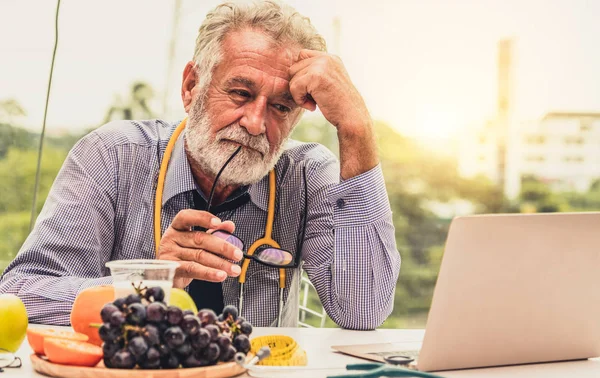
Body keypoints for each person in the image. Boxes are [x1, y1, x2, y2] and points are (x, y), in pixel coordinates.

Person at [0, 0, 400, 329]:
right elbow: (18, 295)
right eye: (240, 93)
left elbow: (362, 312)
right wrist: (147, 284)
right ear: (192, 86)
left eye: (281, 107)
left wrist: (357, 128)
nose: (257, 124)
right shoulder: (113, 156)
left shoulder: (306, 174)